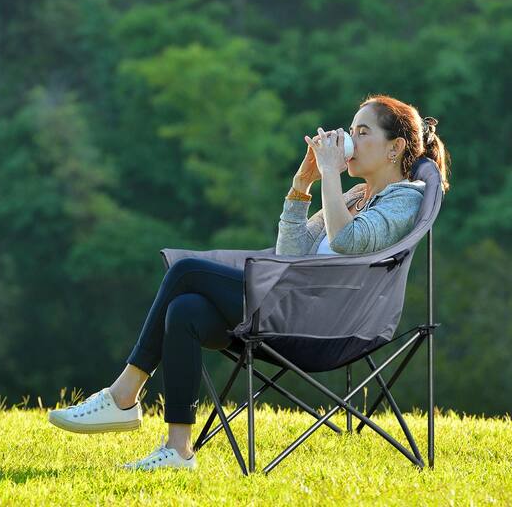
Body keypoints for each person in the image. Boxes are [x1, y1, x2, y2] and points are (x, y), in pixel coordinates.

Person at [47, 94, 451, 471]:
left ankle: (124, 395)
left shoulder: (406, 198)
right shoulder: (350, 198)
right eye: (352, 130)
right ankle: (177, 449)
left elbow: (347, 241)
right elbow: (288, 254)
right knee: (185, 310)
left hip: (332, 326)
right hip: (298, 312)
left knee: (186, 271)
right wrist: (302, 186)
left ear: (394, 148)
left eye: (363, 133)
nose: (351, 139)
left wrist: (330, 172)